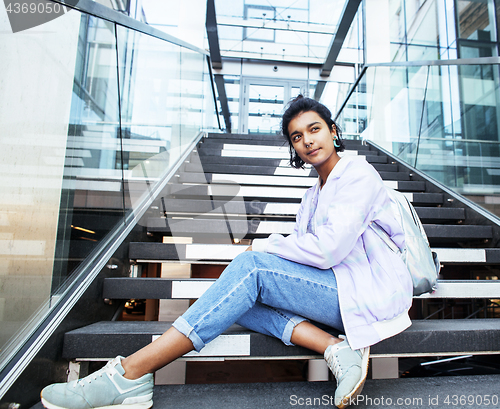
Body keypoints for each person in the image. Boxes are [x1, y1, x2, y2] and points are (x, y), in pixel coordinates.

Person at [40, 96, 413, 409]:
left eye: (315, 129)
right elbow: (304, 255)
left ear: (333, 131)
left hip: (369, 291)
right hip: (336, 289)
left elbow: (327, 250)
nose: (307, 141)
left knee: (249, 268)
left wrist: (265, 245)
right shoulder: (312, 196)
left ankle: (130, 373)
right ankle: (335, 348)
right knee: (240, 298)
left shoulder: (358, 174)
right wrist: (273, 252)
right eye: (297, 136)